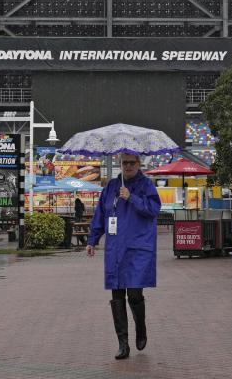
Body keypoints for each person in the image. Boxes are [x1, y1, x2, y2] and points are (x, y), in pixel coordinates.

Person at [86, 153, 161, 360]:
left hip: (138, 249)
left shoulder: (146, 185)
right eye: (124, 163)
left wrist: (132, 197)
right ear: (120, 164)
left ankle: (141, 328)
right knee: (117, 295)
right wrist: (92, 240)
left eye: (132, 163)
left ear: (139, 164)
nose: (127, 166)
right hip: (115, 250)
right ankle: (123, 343)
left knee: (135, 294)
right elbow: (100, 215)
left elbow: (154, 209)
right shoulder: (110, 187)